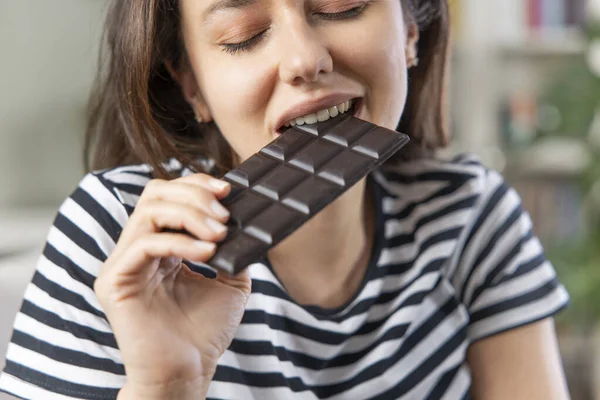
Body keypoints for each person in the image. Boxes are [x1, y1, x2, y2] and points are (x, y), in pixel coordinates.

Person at [0, 0, 571, 399]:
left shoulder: (470, 212)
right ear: (193, 86)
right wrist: (164, 388)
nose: (303, 60)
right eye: (242, 35)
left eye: (343, 5)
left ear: (410, 31)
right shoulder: (121, 239)